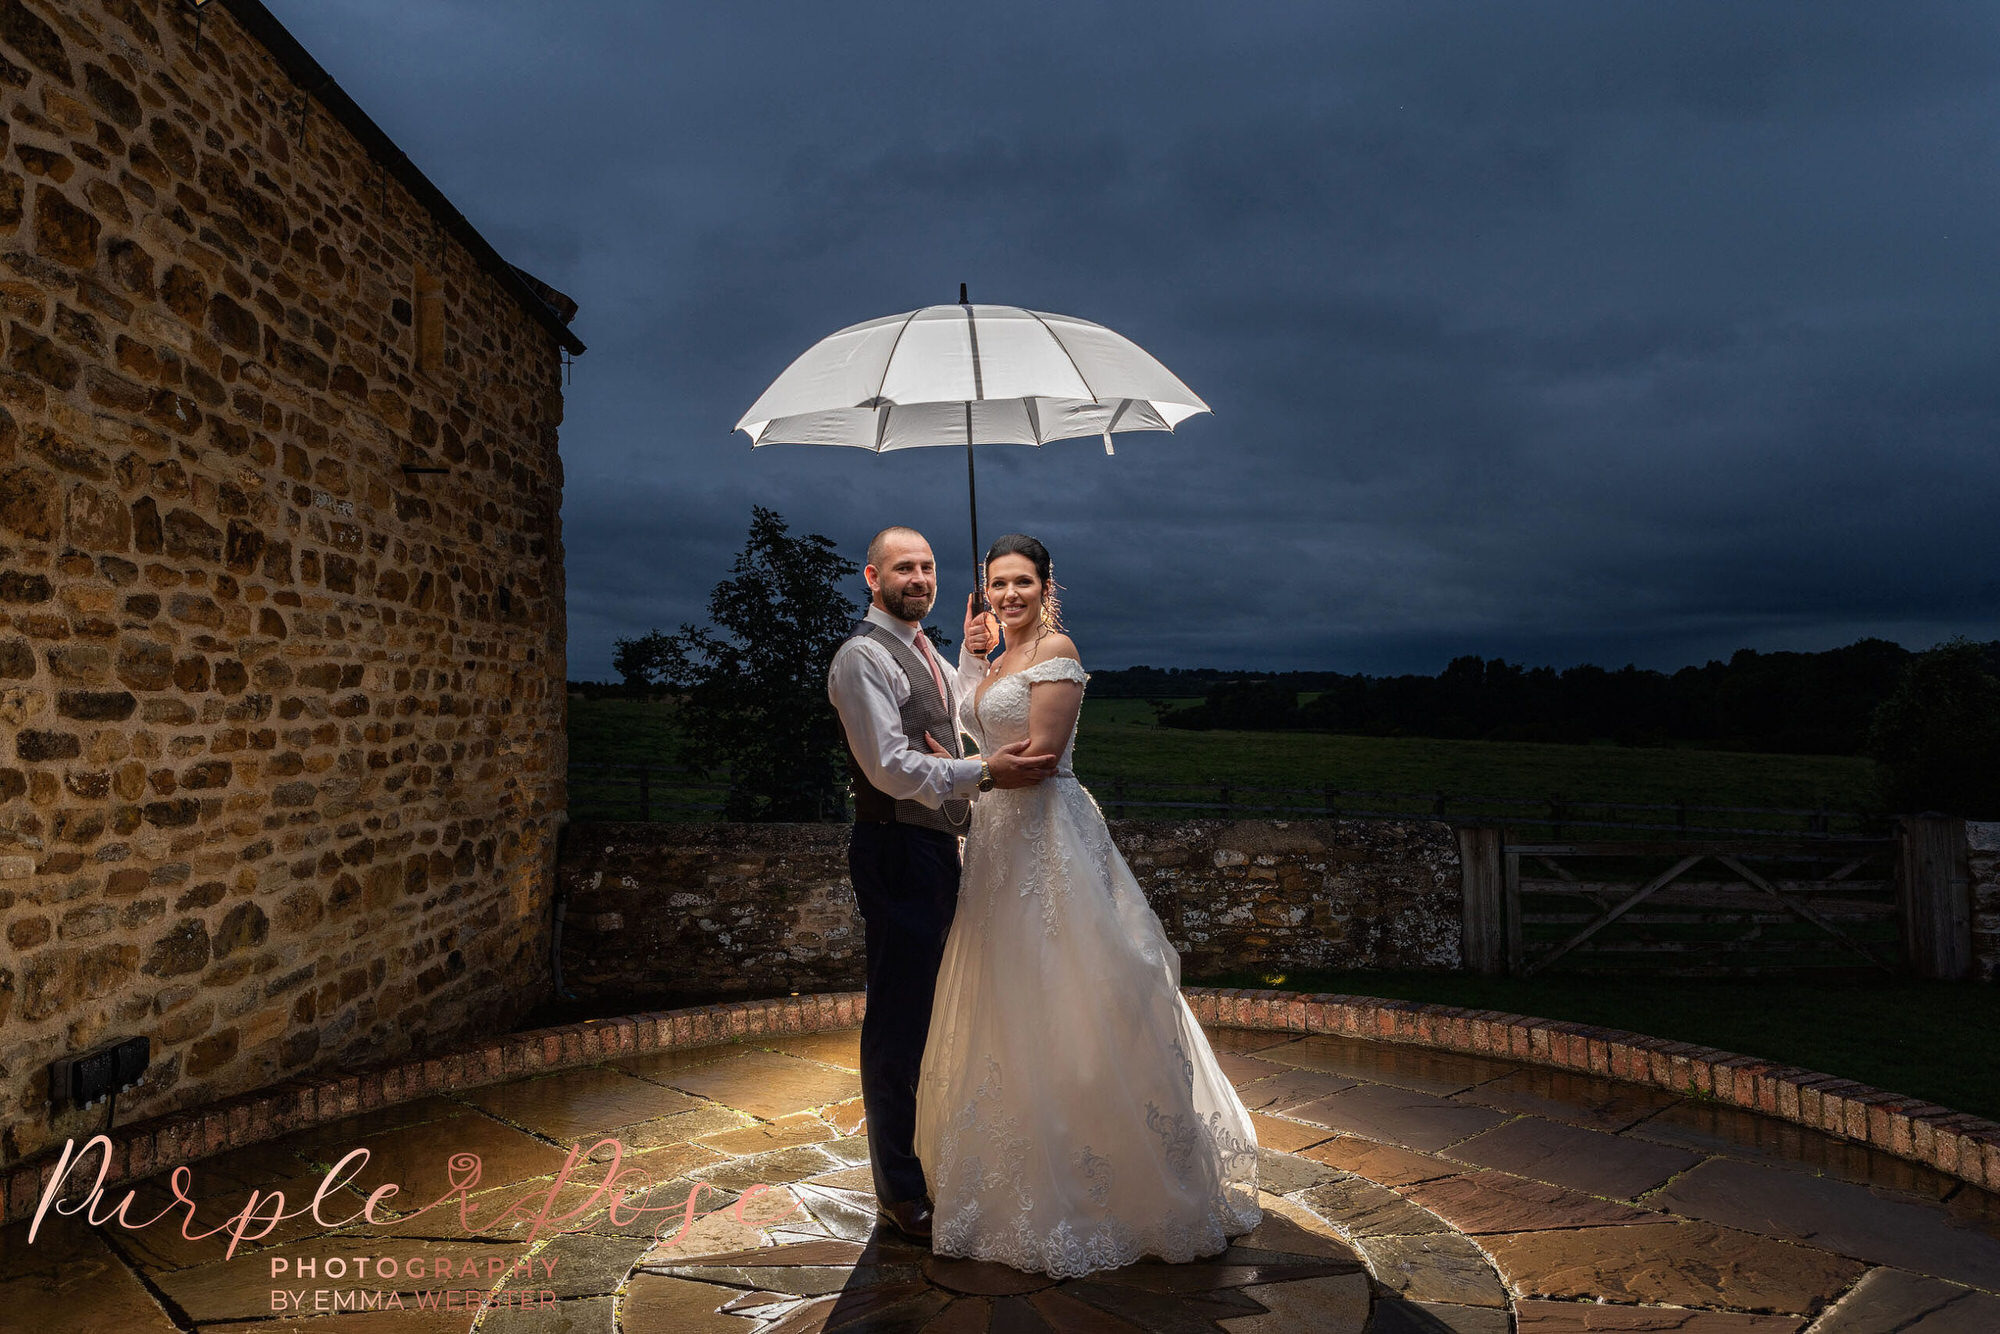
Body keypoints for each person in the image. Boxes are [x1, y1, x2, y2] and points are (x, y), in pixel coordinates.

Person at [913, 533, 1262, 1277]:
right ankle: (1009, 1177)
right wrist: (973, 660)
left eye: (1022, 583)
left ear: (1046, 585)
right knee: (1004, 1001)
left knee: (1073, 996)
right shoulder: (996, 655)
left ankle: (1107, 1184)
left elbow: (1037, 759)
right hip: (997, 850)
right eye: (998, 584)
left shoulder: (1055, 649)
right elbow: (975, 721)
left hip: (1050, 843)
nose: (1009, 596)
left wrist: (959, 772)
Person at [824, 526, 1060, 1242]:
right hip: (895, 847)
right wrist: (985, 773)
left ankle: (927, 1158)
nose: (918, 578)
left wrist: (970, 657)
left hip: (930, 848)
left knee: (932, 1011)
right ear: (872, 576)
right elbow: (890, 766)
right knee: (898, 1020)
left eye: (926, 567)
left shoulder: (920, 645)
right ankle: (899, 1188)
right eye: (903, 568)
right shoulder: (861, 657)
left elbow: (952, 719)